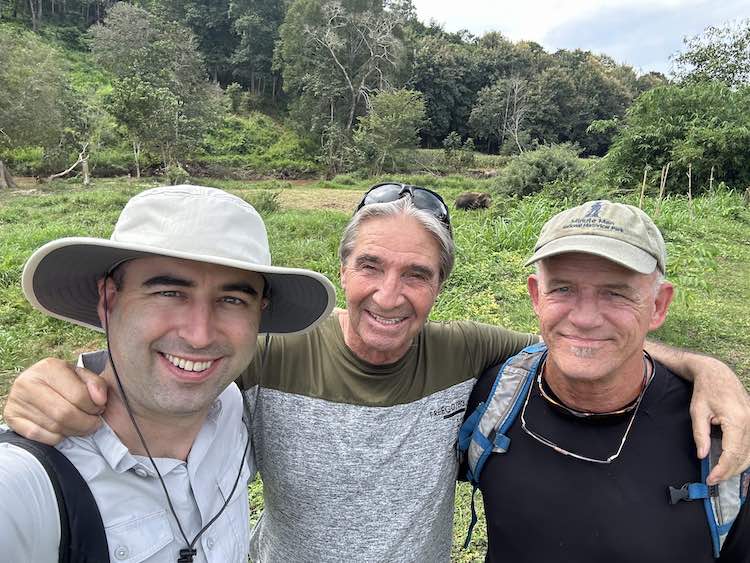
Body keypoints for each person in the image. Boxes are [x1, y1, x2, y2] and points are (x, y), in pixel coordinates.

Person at [5, 184, 750, 562]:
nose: (390, 295)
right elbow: (167, 367)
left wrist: (704, 366)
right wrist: (66, 379)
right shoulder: (266, 351)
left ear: (439, 288)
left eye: (417, 275)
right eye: (372, 266)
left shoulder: (470, 355)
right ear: (342, 270)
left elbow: (581, 342)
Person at [0, 185, 335, 562]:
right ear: (109, 300)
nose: (200, 334)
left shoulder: (232, 407)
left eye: (233, 300)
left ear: (260, 313)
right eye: (170, 293)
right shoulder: (23, 484)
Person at [460, 200, 750, 562]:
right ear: (536, 296)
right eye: (563, 289)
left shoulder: (723, 440)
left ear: (658, 305)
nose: (584, 318)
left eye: (615, 293)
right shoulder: (494, 396)